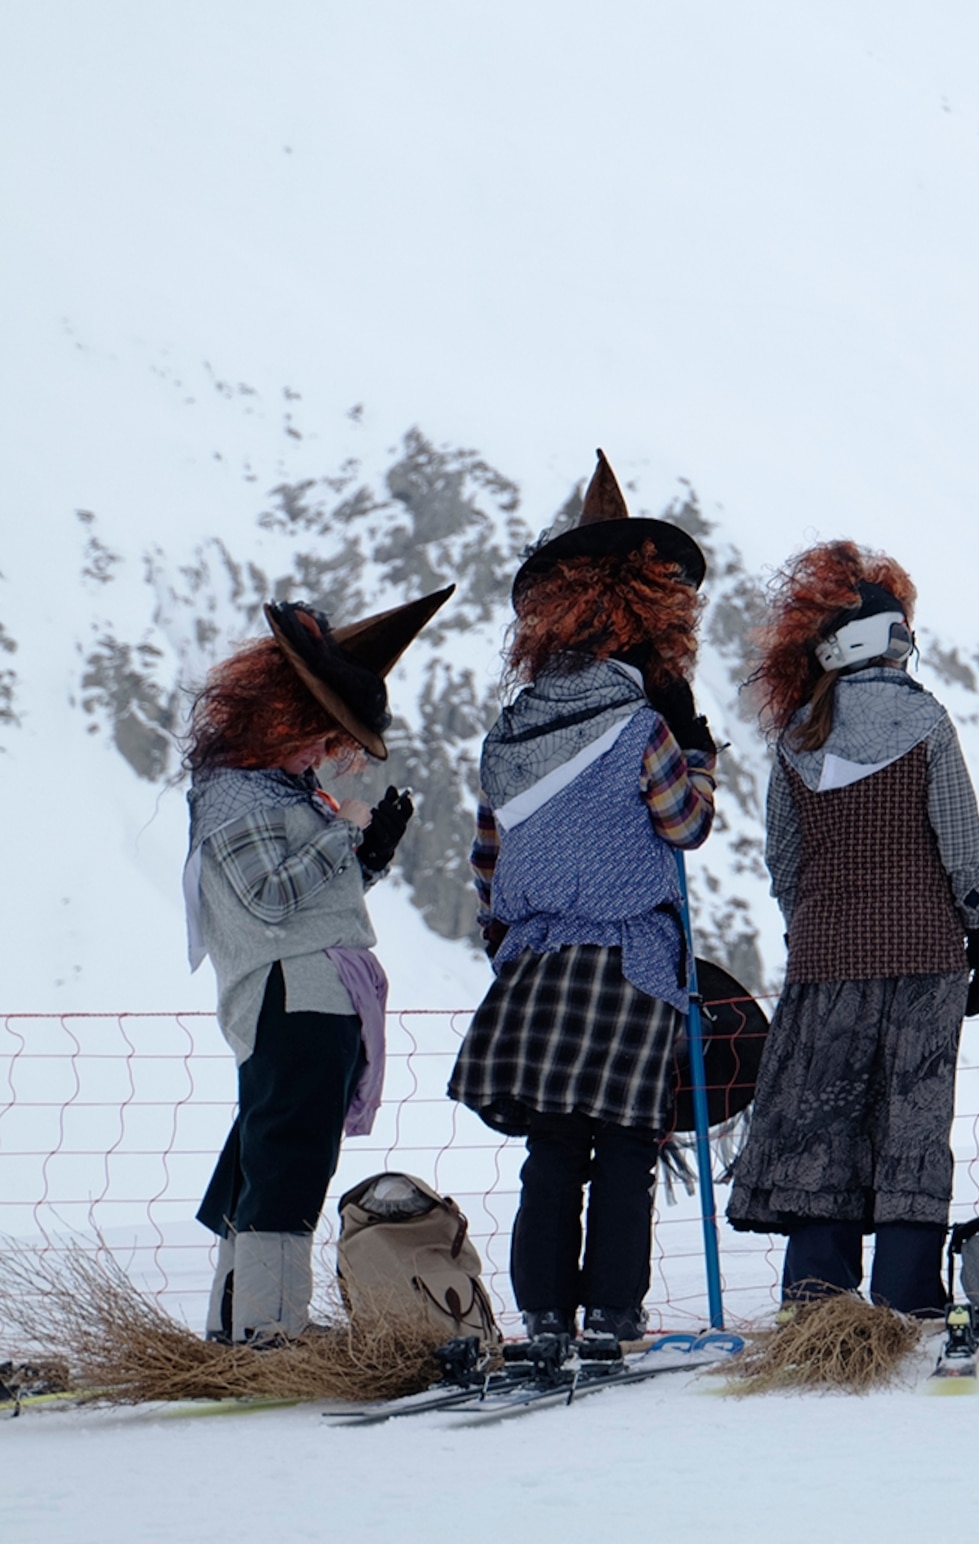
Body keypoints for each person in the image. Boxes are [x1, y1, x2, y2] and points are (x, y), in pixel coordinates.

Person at [448, 451, 720, 1362]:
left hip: (534, 966)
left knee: (554, 1152)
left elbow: (489, 862)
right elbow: (685, 827)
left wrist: (522, 933)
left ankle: (545, 1321)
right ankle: (612, 1316)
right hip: (631, 960)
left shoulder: (508, 734)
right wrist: (698, 753)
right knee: (628, 1150)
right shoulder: (645, 724)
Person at [727, 543, 979, 1313]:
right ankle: (908, 1296)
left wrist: (810, 925)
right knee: (913, 1117)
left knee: (825, 1117)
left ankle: (817, 1295)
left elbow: (782, 859)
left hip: (825, 953)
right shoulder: (924, 719)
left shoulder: (798, 737)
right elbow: (958, 837)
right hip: (924, 951)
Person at [185, 586, 452, 1342]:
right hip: (294, 991)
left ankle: (239, 1329)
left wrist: (367, 855)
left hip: (304, 988)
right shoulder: (238, 794)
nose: (326, 753)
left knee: (266, 1157)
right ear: (282, 719)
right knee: (289, 1164)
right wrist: (343, 832)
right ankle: (270, 1334)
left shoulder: (270, 790)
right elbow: (270, 898)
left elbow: (307, 896)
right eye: (320, 734)